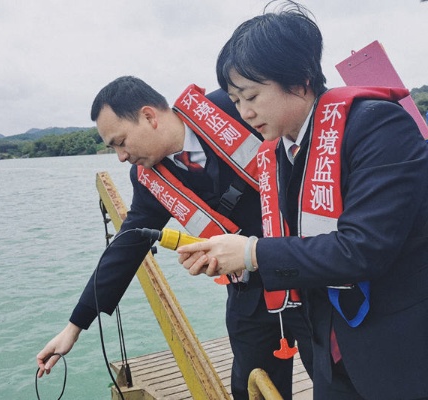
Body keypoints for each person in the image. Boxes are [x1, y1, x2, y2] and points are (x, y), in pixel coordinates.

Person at [178, 2, 428, 399]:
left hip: (396, 353)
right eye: (236, 100)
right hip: (329, 352)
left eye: (252, 96)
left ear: (300, 79)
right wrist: (235, 263)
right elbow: (302, 245)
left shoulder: (378, 126)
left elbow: (363, 249)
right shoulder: (282, 150)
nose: (244, 112)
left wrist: (252, 253)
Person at [36, 76, 314, 399]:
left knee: (336, 377)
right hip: (250, 291)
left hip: (306, 266)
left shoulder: (233, 108)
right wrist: (74, 327)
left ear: (149, 117)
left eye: (121, 141)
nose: (121, 156)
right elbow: (124, 250)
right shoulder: (148, 180)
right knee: (250, 388)